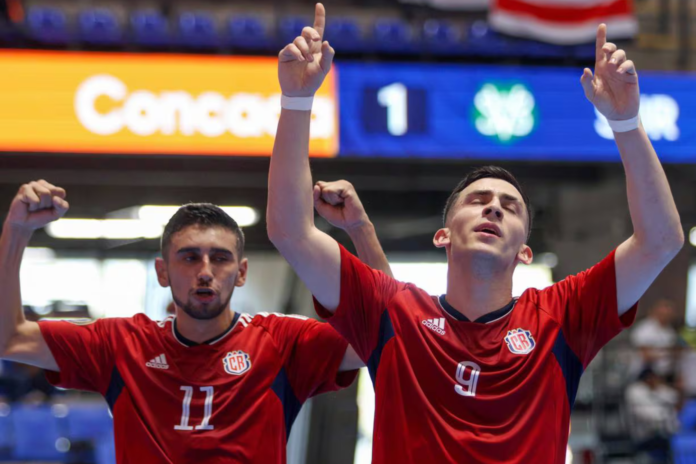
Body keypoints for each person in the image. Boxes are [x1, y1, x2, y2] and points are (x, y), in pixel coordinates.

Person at [267, 4, 684, 463]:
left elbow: (662, 240)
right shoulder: (395, 312)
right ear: (443, 236)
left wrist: (625, 121)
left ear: (526, 251)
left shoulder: (563, 315)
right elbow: (291, 231)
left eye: (511, 207)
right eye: (478, 200)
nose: (493, 208)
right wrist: (296, 102)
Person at [0, 179, 389, 464]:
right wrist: (15, 232)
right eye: (189, 257)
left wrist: (360, 229)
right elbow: (11, 339)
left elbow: (382, 333)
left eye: (219, 258)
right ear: (162, 272)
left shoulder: (282, 341)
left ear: (241, 272)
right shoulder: (121, 343)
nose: (205, 271)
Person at [631, 299, 680, 381]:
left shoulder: (670, 332)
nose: (665, 317)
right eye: (663, 314)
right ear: (655, 312)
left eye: (668, 315)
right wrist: (667, 354)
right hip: (645, 373)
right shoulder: (644, 328)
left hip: (665, 374)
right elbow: (645, 355)